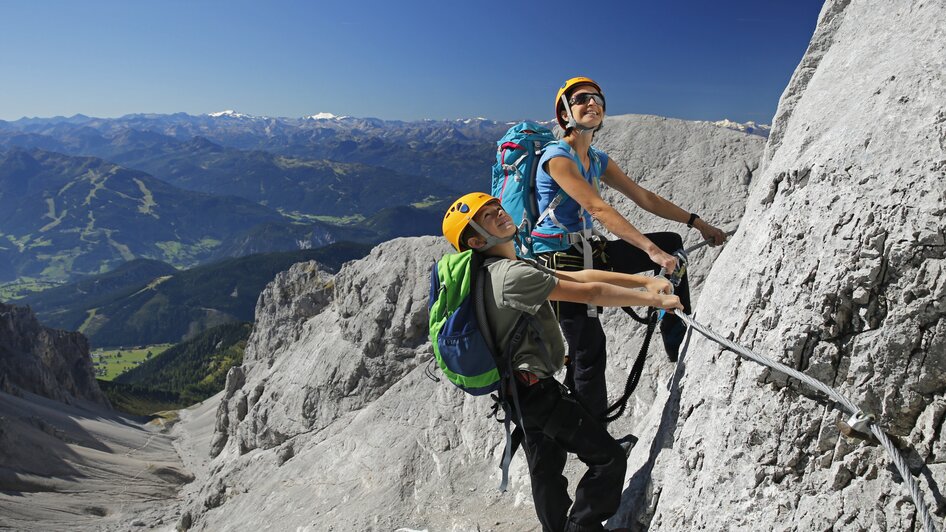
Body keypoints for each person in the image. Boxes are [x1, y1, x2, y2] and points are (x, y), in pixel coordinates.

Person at [441, 192, 682, 532]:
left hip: (518, 395)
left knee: (547, 474)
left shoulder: (500, 269)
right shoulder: (510, 276)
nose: (499, 212)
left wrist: (643, 280)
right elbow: (589, 294)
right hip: (537, 394)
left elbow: (579, 278)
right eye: (487, 215)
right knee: (609, 459)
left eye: (496, 207)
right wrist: (651, 298)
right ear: (477, 239)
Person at [532, 76, 728, 418]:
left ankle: (674, 334)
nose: (592, 103)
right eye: (581, 99)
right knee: (588, 350)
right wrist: (650, 252)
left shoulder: (596, 159)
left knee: (673, 244)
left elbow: (644, 198)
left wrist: (697, 223)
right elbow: (598, 208)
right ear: (565, 114)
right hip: (558, 261)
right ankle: (594, 442)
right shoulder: (557, 157)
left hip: (589, 251)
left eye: (597, 99)